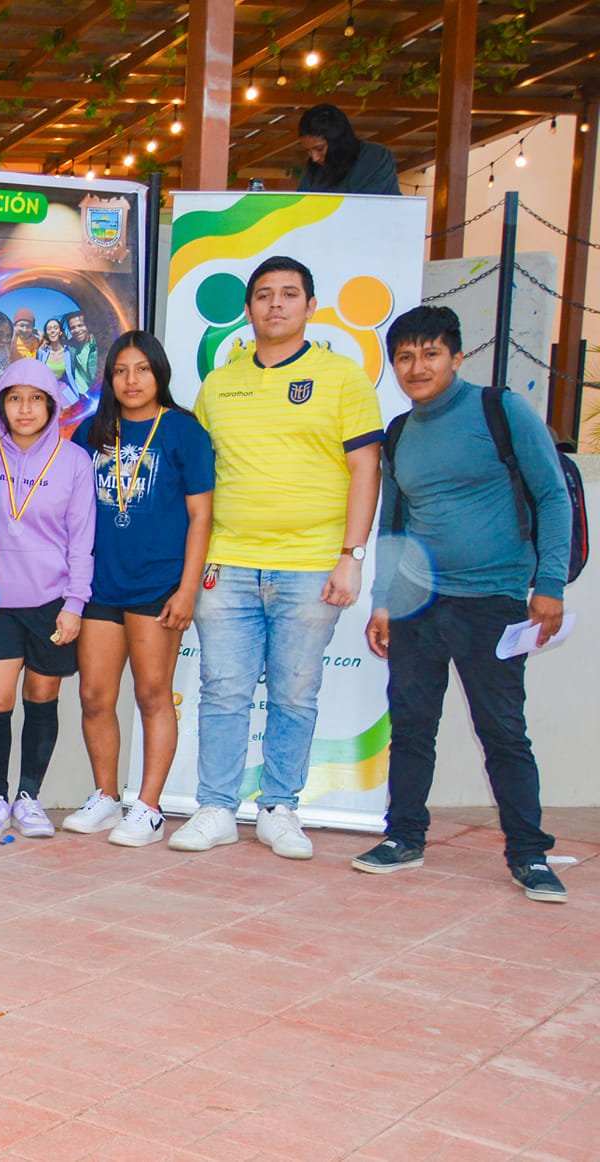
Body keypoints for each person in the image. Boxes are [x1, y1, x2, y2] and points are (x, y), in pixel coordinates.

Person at [171, 256, 383, 859]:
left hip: (312, 566)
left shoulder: (343, 378)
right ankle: (215, 808)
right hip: (227, 564)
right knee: (223, 691)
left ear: (311, 306)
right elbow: (199, 480)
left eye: (290, 294)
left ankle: (280, 808)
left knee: (294, 694)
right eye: (264, 295)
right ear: (248, 309)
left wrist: (352, 556)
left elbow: (366, 469)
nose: (276, 305)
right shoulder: (219, 385)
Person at [358, 306, 571, 903]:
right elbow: (394, 524)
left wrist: (550, 584)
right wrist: (383, 601)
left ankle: (529, 855)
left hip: (492, 602)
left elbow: (553, 496)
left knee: (503, 733)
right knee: (411, 728)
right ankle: (404, 837)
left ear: (456, 356)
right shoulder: (400, 431)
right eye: (404, 357)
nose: (416, 367)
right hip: (417, 606)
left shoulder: (500, 410)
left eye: (430, 354)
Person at [65, 332, 214, 846]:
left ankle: (148, 808)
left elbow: (201, 516)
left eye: (142, 369)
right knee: (93, 695)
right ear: (109, 379)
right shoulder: (91, 432)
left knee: (152, 693)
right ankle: (107, 797)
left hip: (158, 585)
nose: (131, 380)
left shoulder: (183, 431)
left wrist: (187, 589)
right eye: (121, 371)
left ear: (159, 374)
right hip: (102, 585)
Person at [0, 358, 95, 840]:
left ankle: (28, 798)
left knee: (41, 697)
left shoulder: (74, 461)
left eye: (36, 399)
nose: (25, 409)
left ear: (52, 405)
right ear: (0, 405)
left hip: (52, 603)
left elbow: (81, 540)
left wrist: (75, 604)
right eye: (15, 398)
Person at [297, 103, 400, 195]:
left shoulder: (376, 157)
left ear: (338, 140)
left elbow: (373, 205)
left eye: (320, 149)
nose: (314, 158)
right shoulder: (313, 172)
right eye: (308, 151)